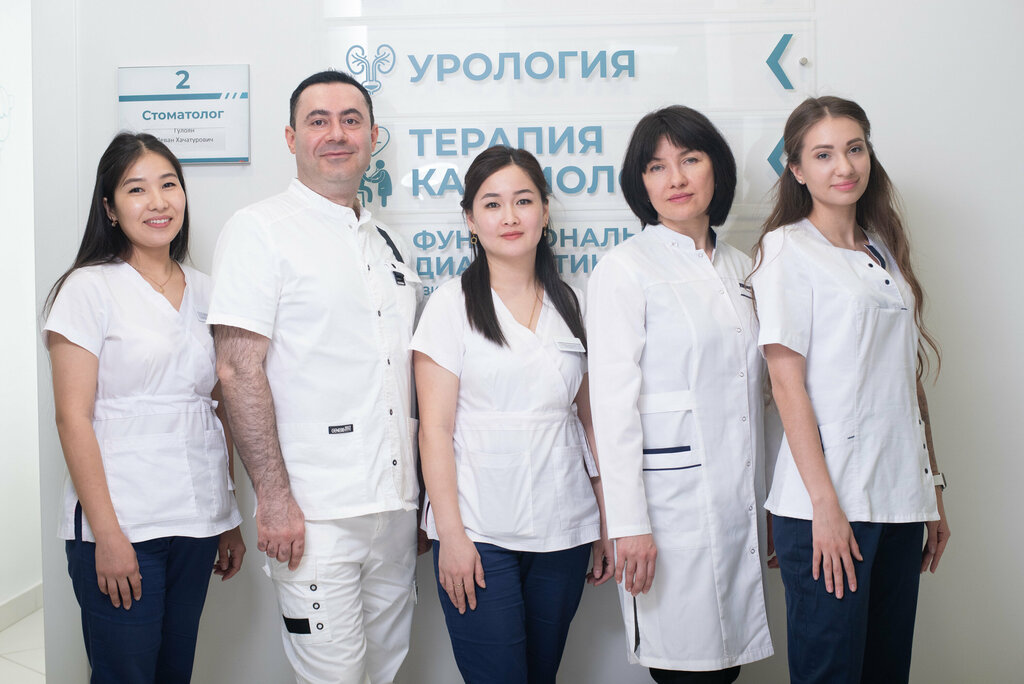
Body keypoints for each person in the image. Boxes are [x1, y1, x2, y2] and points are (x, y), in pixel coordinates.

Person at [208, 70, 421, 684]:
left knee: (384, 671)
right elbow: (237, 368)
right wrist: (274, 498)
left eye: (351, 120)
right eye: (318, 121)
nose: (336, 133)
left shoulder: (389, 243)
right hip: (313, 515)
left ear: (373, 136)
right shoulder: (260, 230)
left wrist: (416, 500)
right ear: (291, 137)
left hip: (393, 510)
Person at [748, 96, 951, 683]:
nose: (844, 166)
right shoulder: (786, 249)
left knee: (887, 670)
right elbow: (786, 383)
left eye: (855, 149)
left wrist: (932, 488)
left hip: (899, 497)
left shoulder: (882, 250)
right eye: (823, 154)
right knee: (830, 673)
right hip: (829, 506)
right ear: (796, 169)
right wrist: (825, 508)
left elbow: (905, 381)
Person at [43, 132, 245, 683]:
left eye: (168, 184)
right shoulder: (87, 290)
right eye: (136, 189)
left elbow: (217, 409)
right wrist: (107, 536)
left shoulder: (209, 291)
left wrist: (227, 519)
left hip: (197, 521)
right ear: (110, 208)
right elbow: (71, 418)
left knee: (175, 671)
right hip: (123, 523)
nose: (158, 202)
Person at [587, 106, 774, 684]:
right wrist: (629, 525)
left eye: (690, 159)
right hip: (668, 514)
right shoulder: (624, 269)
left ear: (716, 168)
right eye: (656, 166)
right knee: (685, 668)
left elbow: (762, 392)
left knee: (727, 668)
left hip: (739, 502)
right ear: (640, 183)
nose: (676, 178)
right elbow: (612, 408)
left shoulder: (745, 267)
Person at [413, 146, 612, 684]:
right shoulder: (450, 305)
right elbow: (434, 431)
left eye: (523, 201)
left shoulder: (573, 303)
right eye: (492, 203)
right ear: (470, 219)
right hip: (479, 530)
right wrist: (451, 535)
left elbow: (588, 421)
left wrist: (604, 519)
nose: (509, 216)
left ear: (544, 212)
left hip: (564, 529)